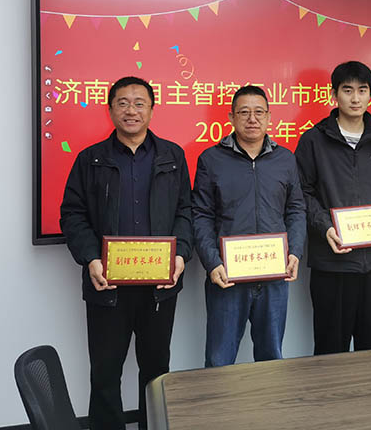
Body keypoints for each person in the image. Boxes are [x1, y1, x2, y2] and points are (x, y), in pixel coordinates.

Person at [60, 76, 193, 430]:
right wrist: (92, 258)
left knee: (156, 372)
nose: (131, 110)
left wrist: (180, 255)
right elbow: (72, 215)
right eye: (122, 103)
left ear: (152, 109)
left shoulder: (173, 156)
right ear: (110, 110)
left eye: (139, 103)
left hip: (159, 287)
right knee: (105, 372)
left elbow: (186, 211)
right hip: (108, 286)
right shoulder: (90, 159)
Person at [295, 61, 371, 355]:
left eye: (362, 90)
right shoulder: (313, 141)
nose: (355, 98)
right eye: (347, 90)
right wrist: (325, 228)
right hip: (332, 260)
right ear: (333, 95)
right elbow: (302, 194)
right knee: (330, 346)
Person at [193, 85, 306, 367]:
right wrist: (212, 262)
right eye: (244, 112)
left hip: (274, 276)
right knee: (219, 360)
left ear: (269, 117)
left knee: (271, 359)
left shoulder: (285, 159)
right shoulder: (211, 159)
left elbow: (296, 209)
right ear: (231, 117)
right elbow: (201, 214)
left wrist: (294, 252)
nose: (252, 119)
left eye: (259, 112)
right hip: (227, 276)